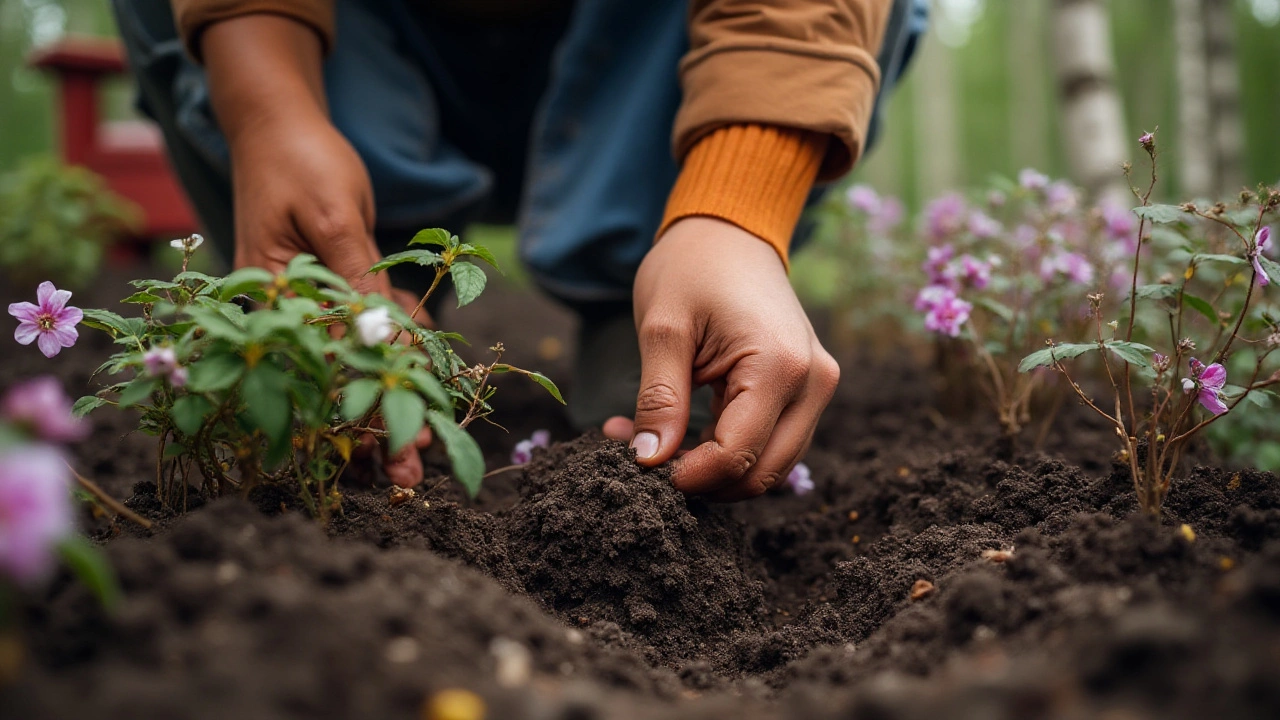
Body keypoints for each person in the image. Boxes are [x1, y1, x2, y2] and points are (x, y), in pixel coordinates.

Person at [110, 0, 925, 499]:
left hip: (651, 50)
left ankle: (658, 285)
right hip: (352, 42)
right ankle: (362, 296)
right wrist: (268, 111)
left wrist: (738, 206)